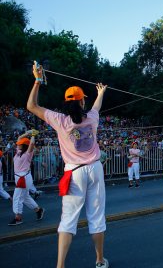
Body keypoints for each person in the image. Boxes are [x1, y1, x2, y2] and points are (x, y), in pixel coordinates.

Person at [27, 62, 109, 268]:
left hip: (73, 171)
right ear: (82, 102)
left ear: (66, 102)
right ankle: (99, 261)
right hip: (95, 169)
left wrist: (37, 80)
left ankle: (60, 266)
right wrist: (100, 93)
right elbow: (96, 107)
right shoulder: (91, 117)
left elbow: (31, 106)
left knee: (68, 220)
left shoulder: (59, 120)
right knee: (96, 217)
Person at [8, 131, 45, 226]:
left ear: (24, 145)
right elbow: (19, 137)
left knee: (17, 197)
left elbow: (32, 143)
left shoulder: (28, 153)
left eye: (20, 144)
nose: (18, 145)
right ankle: (38, 210)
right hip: (20, 178)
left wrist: (33, 136)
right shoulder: (19, 151)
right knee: (24, 197)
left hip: (23, 178)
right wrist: (28, 133)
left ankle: (18, 217)